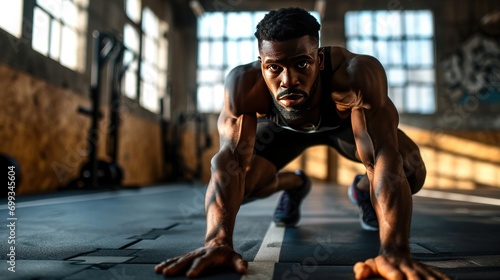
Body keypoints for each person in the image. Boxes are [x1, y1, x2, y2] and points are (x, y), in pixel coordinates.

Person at [155, 7, 449, 279]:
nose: (288, 80)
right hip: (279, 133)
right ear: (261, 64)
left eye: (301, 64)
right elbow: (227, 161)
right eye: (274, 68)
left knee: (411, 171)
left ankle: (362, 191)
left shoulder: (355, 75)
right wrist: (217, 242)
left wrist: (394, 251)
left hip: (344, 127)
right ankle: (293, 184)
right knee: (238, 187)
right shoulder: (244, 85)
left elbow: (383, 156)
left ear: (319, 60)